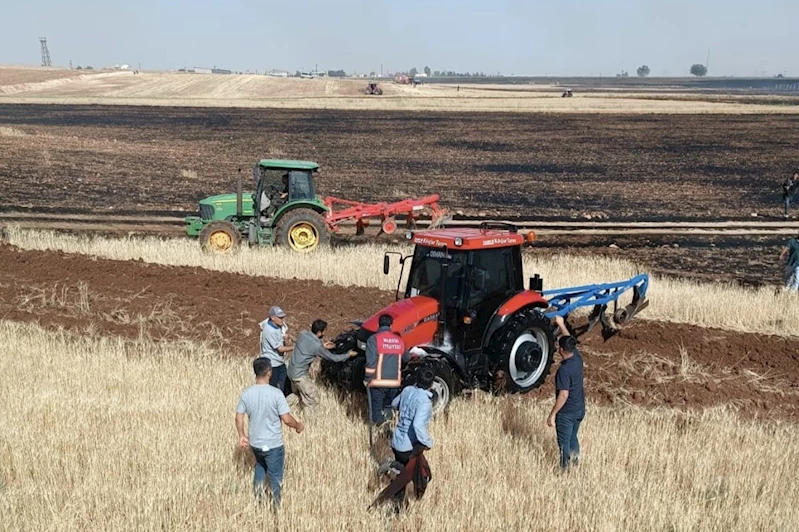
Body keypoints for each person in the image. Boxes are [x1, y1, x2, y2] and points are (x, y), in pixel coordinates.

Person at [235, 357, 304, 508]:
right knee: (275, 478)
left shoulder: (247, 393)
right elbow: (286, 419)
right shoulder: (276, 393)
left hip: (256, 444)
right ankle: (276, 507)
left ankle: (258, 502)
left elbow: (239, 416)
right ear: (269, 372)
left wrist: (241, 435)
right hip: (273, 445)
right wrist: (298, 425)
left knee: (260, 467)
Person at [387, 364, 435, 510]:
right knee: (423, 476)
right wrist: (428, 442)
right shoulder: (425, 402)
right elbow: (418, 425)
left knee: (402, 477)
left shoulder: (407, 390)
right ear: (431, 384)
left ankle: (399, 505)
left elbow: (394, 404)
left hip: (397, 441)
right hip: (409, 447)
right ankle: (407, 505)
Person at [287, 319, 355, 410]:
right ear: (319, 332)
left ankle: (277, 409)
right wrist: (348, 355)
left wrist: (323, 346)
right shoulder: (317, 346)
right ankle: (310, 421)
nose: (324, 334)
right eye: (324, 331)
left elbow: (308, 346)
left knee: (297, 395)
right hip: (300, 376)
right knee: (313, 400)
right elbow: (333, 358)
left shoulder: (303, 334)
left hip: (291, 371)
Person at [546, 315, 585, 471]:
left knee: (564, 444)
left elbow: (563, 395)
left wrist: (552, 414)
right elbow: (570, 339)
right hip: (580, 409)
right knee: (573, 437)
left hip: (567, 413)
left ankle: (564, 470)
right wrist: (561, 324)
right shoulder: (577, 358)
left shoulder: (564, 370)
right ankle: (576, 465)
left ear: (561, 350)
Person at [364, 314, 408, 425]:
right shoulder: (399, 341)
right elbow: (407, 357)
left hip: (378, 383)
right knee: (389, 410)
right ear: (391, 325)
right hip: (394, 384)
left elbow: (370, 362)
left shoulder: (374, 339)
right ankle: (388, 432)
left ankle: (380, 433)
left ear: (378, 324)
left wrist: (367, 378)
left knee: (376, 412)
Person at [260, 306, 293, 393]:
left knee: (286, 386)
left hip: (280, 362)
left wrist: (285, 339)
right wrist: (295, 347)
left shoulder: (279, 326)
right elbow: (280, 349)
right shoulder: (269, 331)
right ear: (273, 318)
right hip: (272, 364)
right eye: (280, 317)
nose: (283, 319)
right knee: (273, 388)